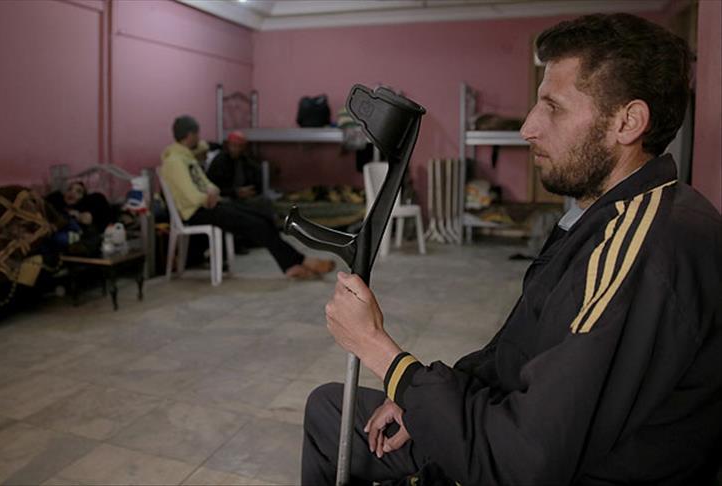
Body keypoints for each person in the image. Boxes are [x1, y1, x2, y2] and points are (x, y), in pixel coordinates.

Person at [302, 13, 721, 485]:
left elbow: (518, 462)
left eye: (553, 107)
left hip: (542, 466)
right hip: (511, 426)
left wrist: (380, 351)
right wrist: (414, 393)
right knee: (331, 410)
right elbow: (515, 349)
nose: (528, 127)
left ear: (627, 122)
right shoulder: (605, 215)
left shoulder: (646, 250)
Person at [159, 115, 335, 279]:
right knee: (257, 225)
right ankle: (299, 262)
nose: (199, 138)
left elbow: (209, 185)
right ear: (190, 135)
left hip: (210, 205)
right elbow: (192, 195)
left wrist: (212, 193)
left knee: (263, 218)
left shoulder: (187, 158)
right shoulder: (175, 162)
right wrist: (208, 196)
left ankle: (292, 264)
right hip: (197, 212)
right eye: (197, 134)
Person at [206, 130, 277, 222]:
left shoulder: (245, 161)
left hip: (243, 197)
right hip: (225, 198)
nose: (236, 149)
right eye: (234, 145)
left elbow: (256, 179)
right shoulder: (220, 162)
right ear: (228, 145)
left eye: (240, 146)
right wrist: (235, 192)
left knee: (265, 203)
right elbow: (214, 187)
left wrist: (249, 191)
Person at [46, 181, 112, 233]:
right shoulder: (57, 203)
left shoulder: (84, 210)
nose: (72, 192)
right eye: (69, 189)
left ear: (83, 198)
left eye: (78, 191)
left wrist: (79, 216)